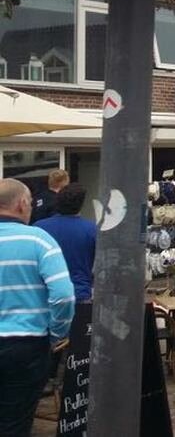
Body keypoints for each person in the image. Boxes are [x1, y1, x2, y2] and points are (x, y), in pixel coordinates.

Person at [0, 179, 75, 436]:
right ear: (22, 204)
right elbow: (63, 295)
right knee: (15, 422)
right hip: (27, 344)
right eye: (30, 202)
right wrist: (56, 332)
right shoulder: (40, 240)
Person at [34, 183, 96, 302]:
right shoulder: (91, 230)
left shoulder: (39, 228)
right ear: (81, 205)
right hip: (79, 293)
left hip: (44, 295)